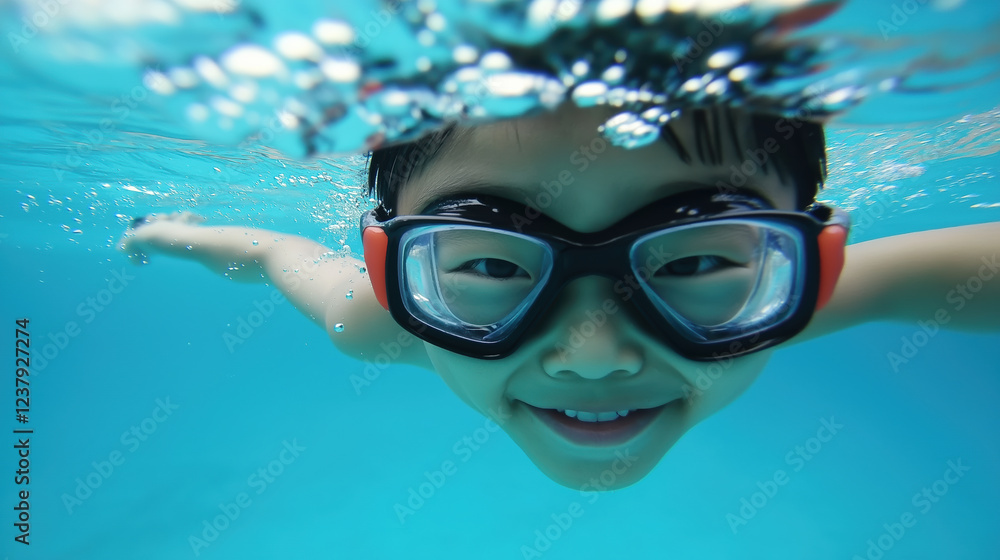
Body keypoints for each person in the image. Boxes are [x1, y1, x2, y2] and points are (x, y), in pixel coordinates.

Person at [119, 103, 1000, 490]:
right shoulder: (373, 321)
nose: (594, 356)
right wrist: (183, 235)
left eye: (695, 265)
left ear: (821, 270)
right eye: (494, 267)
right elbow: (277, 250)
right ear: (391, 275)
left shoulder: (797, 298)